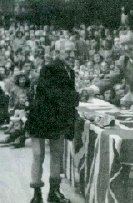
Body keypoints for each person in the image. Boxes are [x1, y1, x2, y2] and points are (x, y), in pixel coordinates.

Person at [26, 44, 79, 203]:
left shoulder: (70, 71)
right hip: (41, 118)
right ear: (57, 53)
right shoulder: (49, 68)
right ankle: (37, 194)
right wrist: (77, 96)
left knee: (56, 154)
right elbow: (56, 94)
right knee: (39, 155)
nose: (71, 55)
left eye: (73, 52)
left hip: (56, 119)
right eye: (67, 51)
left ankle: (52, 192)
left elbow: (66, 99)